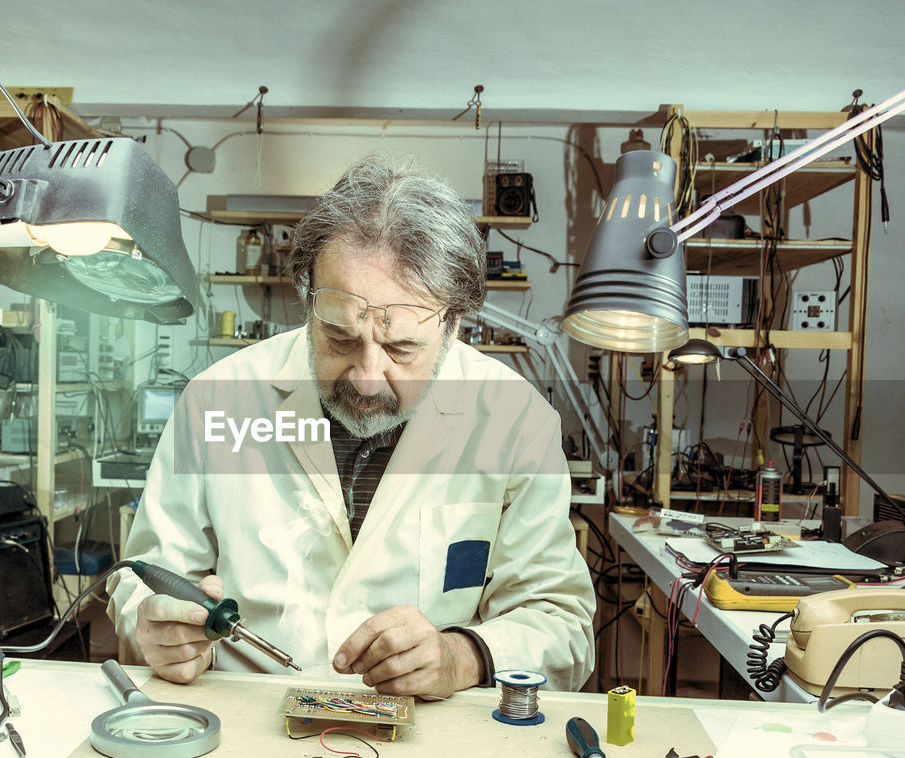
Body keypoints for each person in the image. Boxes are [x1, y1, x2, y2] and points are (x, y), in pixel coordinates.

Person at [106, 155, 595, 696]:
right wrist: (153, 627)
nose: (366, 377)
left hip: (427, 739)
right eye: (339, 337)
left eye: (402, 347)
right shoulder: (218, 400)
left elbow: (563, 624)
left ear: (454, 324)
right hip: (243, 728)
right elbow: (141, 579)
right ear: (307, 299)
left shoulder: (514, 421)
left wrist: (463, 656)